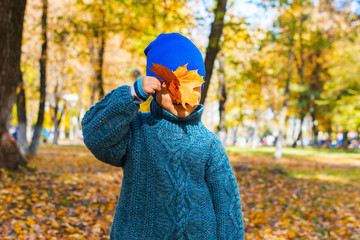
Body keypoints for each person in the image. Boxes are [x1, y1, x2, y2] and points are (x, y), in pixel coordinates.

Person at [81, 32, 244, 239]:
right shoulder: (137, 130)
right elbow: (95, 135)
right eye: (173, 87)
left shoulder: (209, 144)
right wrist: (134, 93)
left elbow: (226, 206)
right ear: (155, 86)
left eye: (193, 87)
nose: (183, 97)